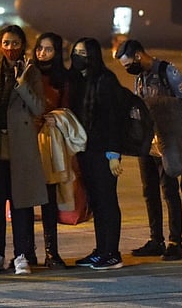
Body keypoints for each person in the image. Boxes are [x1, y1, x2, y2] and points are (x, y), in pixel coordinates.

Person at [115, 39, 182, 261]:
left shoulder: (169, 71)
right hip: (146, 142)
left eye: (129, 63)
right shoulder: (140, 78)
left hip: (166, 140)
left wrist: (161, 110)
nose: (128, 69)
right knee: (149, 191)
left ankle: (175, 241)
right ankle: (156, 239)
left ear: (139, 55)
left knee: (169, 191)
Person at [0, 25, 46, 275]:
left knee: (22, 204)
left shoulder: (32, 73)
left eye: (15, 43)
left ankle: (21, 255)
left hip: (20, 147)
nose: (10, 48)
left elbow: (39, 107)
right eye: (6, 43)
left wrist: (22, 84)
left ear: (23, 46)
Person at [70, 38, 125, 270]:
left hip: (104, 152)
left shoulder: (106, 80)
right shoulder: (81, 81)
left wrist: (114, 154)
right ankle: (101, 249)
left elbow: (114, 119)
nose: (78, 56)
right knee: (96, 202)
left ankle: (112, 253)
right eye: (76, 52)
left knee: (107, 201)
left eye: (83, 52)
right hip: (87, 151)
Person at [30, 32, 71, 269]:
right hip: (26, 140)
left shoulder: (62, 79)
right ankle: (25, 252)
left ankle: (51, 251)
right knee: (22, 202)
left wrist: (58, 116)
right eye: (39, 48)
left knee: (48, 200)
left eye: (48, 49)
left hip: (49, 142)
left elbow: (67, 108)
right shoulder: (28, 73)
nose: (42, 53)